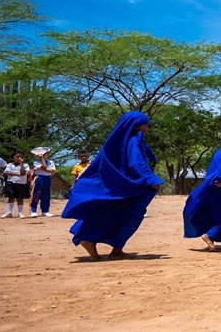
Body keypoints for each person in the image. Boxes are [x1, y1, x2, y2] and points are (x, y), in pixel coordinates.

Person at [61, 111, 164, 260]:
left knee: (122, 212)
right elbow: (137, 164)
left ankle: (115, 248)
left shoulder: (128, 140)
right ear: (136, 126)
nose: (147, 127)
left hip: (126, 184)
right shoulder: (132, 141)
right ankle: (89, 239)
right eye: (145, 124)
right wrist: (150, 179)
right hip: (128, 186)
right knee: (126, 213)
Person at [0, 151, 31, 218]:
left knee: (20, 198)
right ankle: (9, 212)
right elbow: (7, 172)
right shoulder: (9, 165)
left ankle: (20, 213)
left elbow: (23, 172)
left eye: (21, 157)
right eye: (17, 157)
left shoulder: (25, 165)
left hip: (21, 183)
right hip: (11, 182)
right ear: (13, 158)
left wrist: (21, 165)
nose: (19, 158)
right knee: (11, 197)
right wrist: (19, 174)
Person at [30, 149, 57, 217]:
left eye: (44, 155)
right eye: (40, 155)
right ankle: (33, 210)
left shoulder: (51, 162)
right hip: (39, 178)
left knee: (46, 194)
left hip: (47, 178)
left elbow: (51, 171)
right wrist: (42, 160)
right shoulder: (36, 162)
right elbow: (45, 167)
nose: (42, 156)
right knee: (37, 194)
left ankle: (45, 211)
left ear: (47, 155)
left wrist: (44, 169)